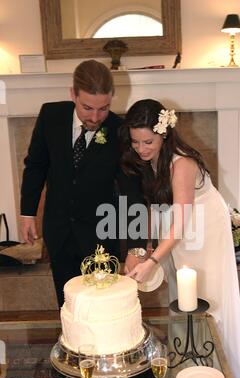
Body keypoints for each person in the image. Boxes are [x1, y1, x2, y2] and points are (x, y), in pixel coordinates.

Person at [121, 98, 240, 378]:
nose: (141, 148)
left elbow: (181, 220)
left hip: (203, 228)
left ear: (164, 133)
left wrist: (152, 262)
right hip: (178, 227)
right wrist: (146, 247)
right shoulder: (148, 160)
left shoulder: (183, 164)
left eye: (147, 141)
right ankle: (190, 357)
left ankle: (219, 362)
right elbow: (153, 207)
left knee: (209, 295)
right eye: (135, 142)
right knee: (184, 294)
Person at [20, 60, 145, 307]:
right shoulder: (50, 116)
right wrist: (27, 213)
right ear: (72, 94)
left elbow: (132, 192)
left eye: (104, 108)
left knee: (103, 308)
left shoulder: (119, 131)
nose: (96, 117)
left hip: (101, 234)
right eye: (88, 108)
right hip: (59, 231)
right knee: (68, 305)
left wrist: (136, 248)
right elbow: (35, 166)